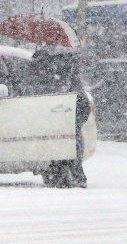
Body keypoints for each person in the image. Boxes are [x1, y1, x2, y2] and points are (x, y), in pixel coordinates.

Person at [32, 46, 90, 188]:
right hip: (75, 105)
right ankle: (68, 174)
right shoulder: (65, 63)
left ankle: (67, 174)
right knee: (69, 139)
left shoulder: (55, 68)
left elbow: (58, 87)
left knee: (67, 140)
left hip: (69, 106)